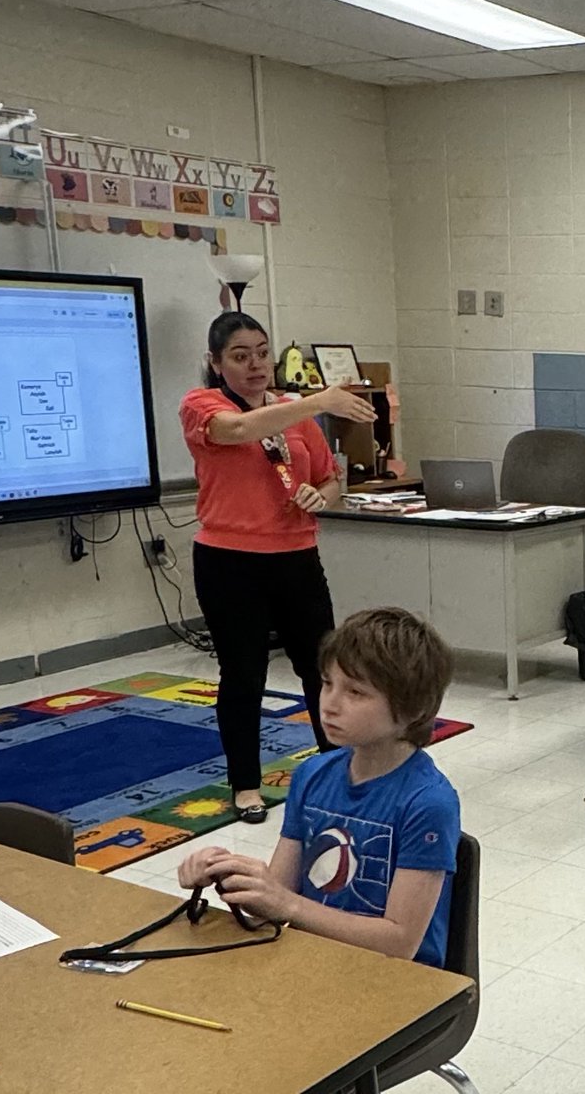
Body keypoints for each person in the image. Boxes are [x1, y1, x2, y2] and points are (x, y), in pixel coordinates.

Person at [176, 607, 460, 967]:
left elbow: (400, 942)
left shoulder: (428, 802)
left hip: (398, 981)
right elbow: (273, 905)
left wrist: (288, 905)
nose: (330, 704)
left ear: (412, 709)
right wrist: (225, 872)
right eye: (327, 683)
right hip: (314, 962)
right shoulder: (312, 774)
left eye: (356, 692)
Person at [180, 311, 377, 823]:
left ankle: (334, 769)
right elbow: (240, 429)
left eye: (263, 354)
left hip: (296, 556)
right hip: (230, 561)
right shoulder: (202, 406)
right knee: (243, 673)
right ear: (216, 363)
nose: (255, 365)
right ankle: (245, 784)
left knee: (322, 669)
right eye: (240, 357)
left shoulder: (295, 415)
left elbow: (330, 479)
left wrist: (321, 493)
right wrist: (316, 401)